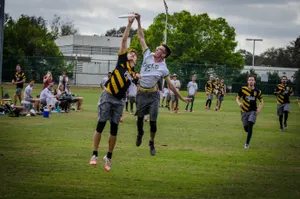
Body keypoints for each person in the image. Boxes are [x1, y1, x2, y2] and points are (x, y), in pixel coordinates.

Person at [134, 13, 190, 156]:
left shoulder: (164, 68)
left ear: (163, 54)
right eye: (158, 48)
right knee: (139, 120)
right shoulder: (147, 55)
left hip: (153, 95)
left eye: (159, 49)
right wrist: (139, 21)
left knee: (153, 123)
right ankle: (140, 134)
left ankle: (151, 143)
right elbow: (141, 37)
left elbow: (170, 85)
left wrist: (182, 98)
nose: (156, 49)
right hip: (141, 93)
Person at [89, 15, 138, 172]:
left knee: (114, 129)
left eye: (134, 54)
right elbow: (124, 42)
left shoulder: (134, 74)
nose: (131, 54)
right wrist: (129, 24)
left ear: (136, 60)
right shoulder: (121, 61)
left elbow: (139, 87)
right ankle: (94, 154)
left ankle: (108, 157)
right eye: (130, 53)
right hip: (108, 95)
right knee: (101, 124)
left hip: (119, 101)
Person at [236, 75, 263, 149]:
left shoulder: (257, 91)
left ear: (255, 81)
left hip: (253, 111)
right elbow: (237, 98)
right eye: (250, 80)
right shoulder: (243, 89)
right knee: (246, 128)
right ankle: (249, 133)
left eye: (252, 80)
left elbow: (261, 101)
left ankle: (247, 144)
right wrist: (239, 104)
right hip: (244, 111)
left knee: (250, 124)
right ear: (247, 81)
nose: (251, 81)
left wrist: (259, 110)